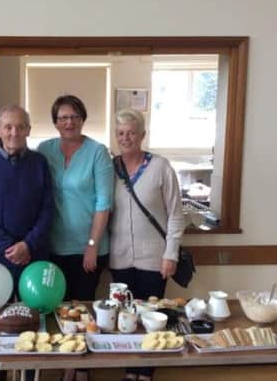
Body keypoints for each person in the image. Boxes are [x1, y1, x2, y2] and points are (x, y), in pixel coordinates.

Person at [0, 104, 54, 381]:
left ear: (29, 130)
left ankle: (30, 372)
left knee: (33, 319)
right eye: (8, 126)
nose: (14, 132)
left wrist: (27, 245)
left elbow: (47, 209)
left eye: (20, 126)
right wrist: (9, 246)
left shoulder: (40, 163)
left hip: (33, 256)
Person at [37, 95, 113, 381]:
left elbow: (103, 202)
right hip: (53, 247)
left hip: (87, 248)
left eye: (74, 117)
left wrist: (92, 246)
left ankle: (78, 369)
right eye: (63, 117)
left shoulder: (97, 151)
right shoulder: (45, 150)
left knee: (83, 311)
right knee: (60, 311)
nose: (69, 122)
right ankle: (70, 361)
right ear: (55, 122)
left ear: (83, 118)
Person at [109, 109, 185, 381]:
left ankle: (146, 372)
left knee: (152, 317)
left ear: (142, 135)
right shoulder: (110, 168)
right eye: (120, 133)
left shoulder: (160, 166)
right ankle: (131, 370)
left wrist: (171, 253)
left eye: (131, 132)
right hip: (119, 258)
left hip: (155, 258)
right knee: (126, 317)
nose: (126, 138)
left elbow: (176, 214)